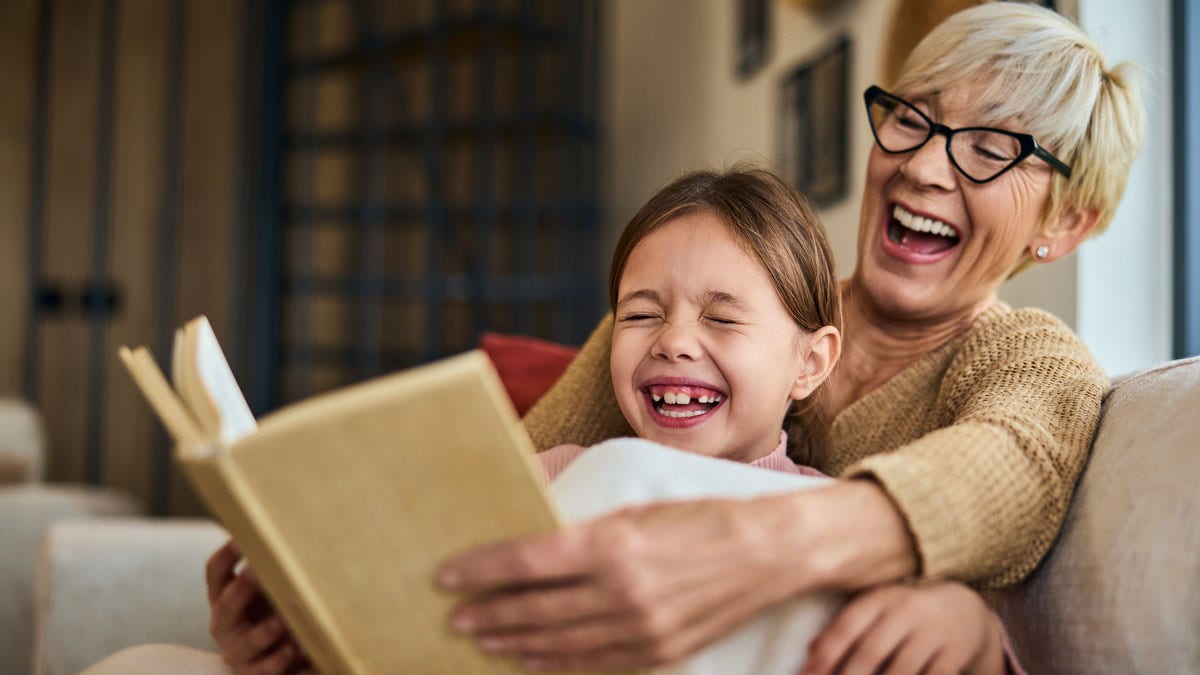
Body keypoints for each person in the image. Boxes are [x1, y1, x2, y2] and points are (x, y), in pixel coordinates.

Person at [429, 2, 1142, 672]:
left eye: (991, 147)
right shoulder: (702, 306)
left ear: (1066, 221)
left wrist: (759, 548)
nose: (922, 167)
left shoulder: (1028, 357)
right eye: (913, 121)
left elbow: (1012, 464)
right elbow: (509, 495)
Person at [200, 166, 1019, 675]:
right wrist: (284, 644)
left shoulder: (832, 516)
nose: (674, 342)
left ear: (810, 361)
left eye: (723, 319)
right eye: (640, 313)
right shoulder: (552, 472)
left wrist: (973, 633)